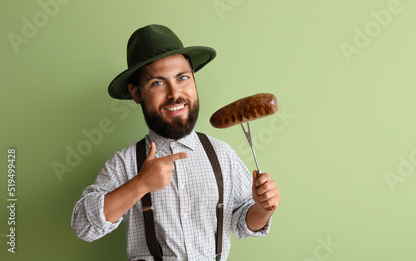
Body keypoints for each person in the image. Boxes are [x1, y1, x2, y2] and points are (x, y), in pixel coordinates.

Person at [71, 24, 281, 261]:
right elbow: (82, 226)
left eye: (182, 78)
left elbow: (243, 222)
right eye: (157, 83)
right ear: (136, 93)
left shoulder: (222, 154)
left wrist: (262, 209)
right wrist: (140, 184)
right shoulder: (124, 163)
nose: (174, 93)